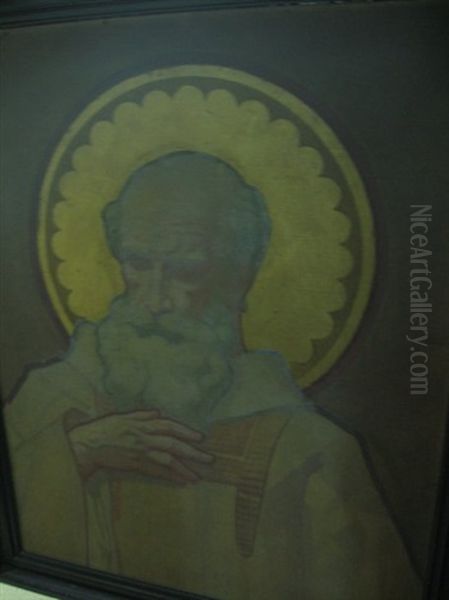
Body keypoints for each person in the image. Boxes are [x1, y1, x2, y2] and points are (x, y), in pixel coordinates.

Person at [5, 152, 419, 599]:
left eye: (186, 271)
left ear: (240, 275)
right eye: (137, 264)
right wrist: (78, 452)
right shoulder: (52, 397)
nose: (154, 301)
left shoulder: (308, 452)